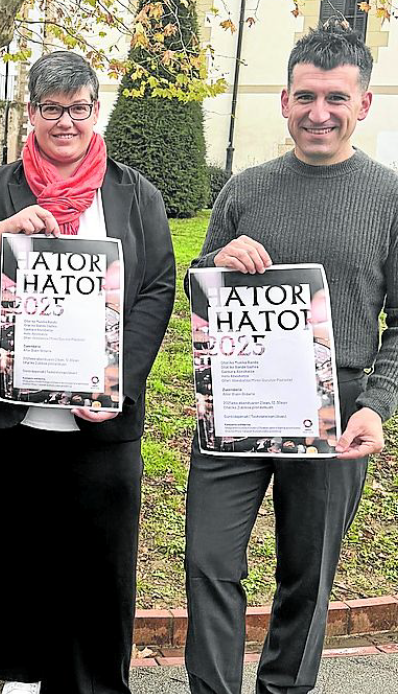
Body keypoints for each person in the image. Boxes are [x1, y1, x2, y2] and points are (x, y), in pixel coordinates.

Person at [0, 51, 176, 694]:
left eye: (77, 108)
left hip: (99, 416)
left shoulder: (133, 193)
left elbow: (157, 288)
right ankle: (20, 669)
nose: (65, 121)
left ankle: (96, 680)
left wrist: (120, 380)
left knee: (101, 558)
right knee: (13, 548)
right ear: (32, 113)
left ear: (95, 111)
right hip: (7, 415)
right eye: (52, 108)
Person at [184, 20, 398, 694]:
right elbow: (196, 282)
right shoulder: (244, 188)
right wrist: (215, 261)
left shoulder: (389, 197)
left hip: (333, 406)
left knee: (307, 573)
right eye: (305, 97)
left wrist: (376, 404)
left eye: (335, 98)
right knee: (208, 558)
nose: (318, 112)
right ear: (283, 101)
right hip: (236, 397)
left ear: (362, 104)